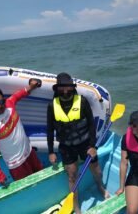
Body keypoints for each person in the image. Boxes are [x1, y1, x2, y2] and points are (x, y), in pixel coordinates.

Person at [47, 72, 110, 214]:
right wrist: (51, 151)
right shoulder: (52, 106)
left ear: (72, 88)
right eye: (61, 88)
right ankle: (76, 207)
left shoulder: (82, 101)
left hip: (85, 143)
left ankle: (100, 186)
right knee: (72, 175)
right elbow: (50, 130)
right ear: (57, 89)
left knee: (96, 170)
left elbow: (91, 125)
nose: (65, 91)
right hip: (67, 147)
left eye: (68, 87)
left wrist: (93, 146)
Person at [0, 79, 43, 187]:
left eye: (1, 102)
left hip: (29, 153)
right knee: (29, 188)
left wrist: (31, 86)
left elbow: (19, 94)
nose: (0, 106)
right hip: (16, 165)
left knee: (42, 177)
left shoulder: (9, 104)